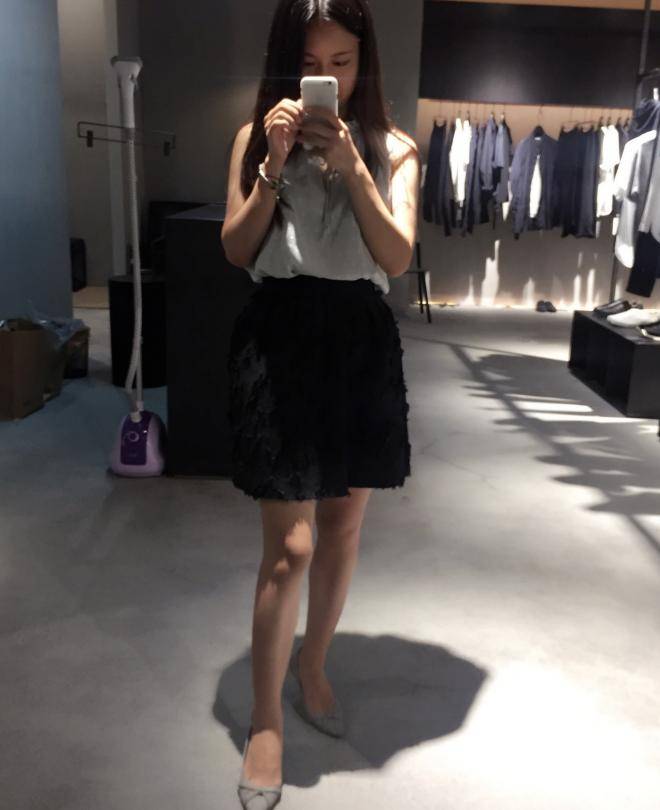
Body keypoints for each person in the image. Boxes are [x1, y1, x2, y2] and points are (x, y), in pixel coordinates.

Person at [221, 1, 420, 806]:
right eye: (311, 65)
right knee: (290, 547)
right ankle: (266, 721)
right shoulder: (253, 137)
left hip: (359, 341)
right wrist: (272, 166)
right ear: (287, 64)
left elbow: (396, 257)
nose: (326, 79)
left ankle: (312, 664)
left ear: (363, 65)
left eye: (342, 63)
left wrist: (356, 169)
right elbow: (237, 248)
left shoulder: (394, 148)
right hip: (281, 337)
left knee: (342, 527)